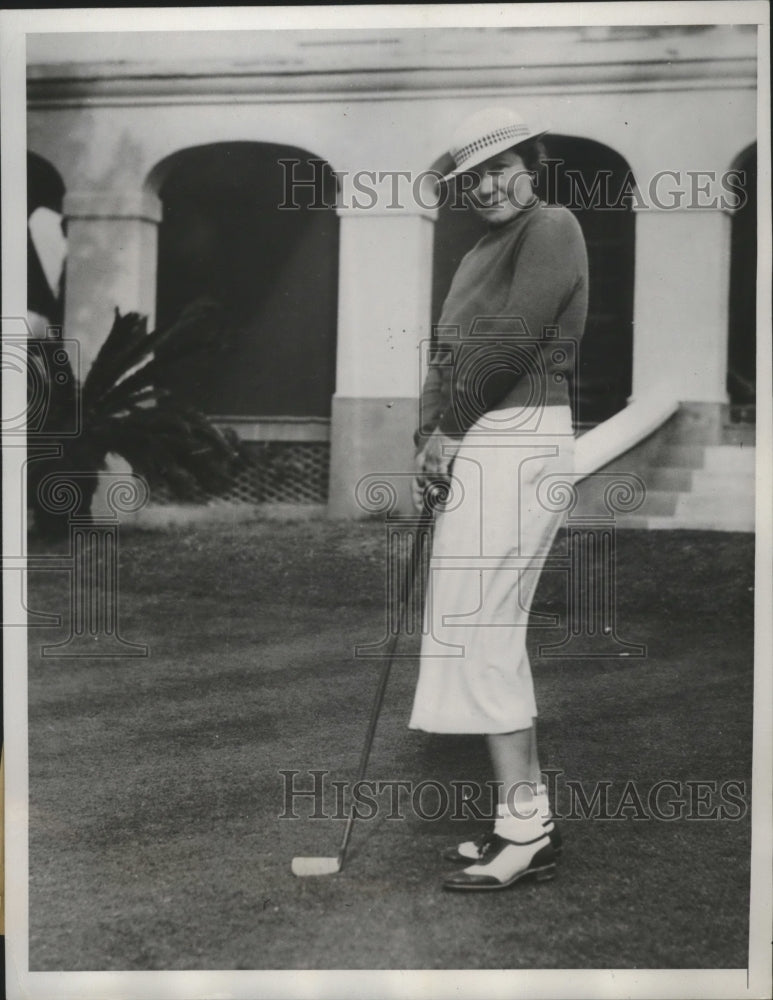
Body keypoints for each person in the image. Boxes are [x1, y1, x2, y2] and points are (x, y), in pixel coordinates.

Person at [410, 106, 588, 891]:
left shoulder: (551, 226)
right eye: (471, 178)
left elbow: (513, 338)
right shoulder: (477, 250)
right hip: (474, 438)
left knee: (484, 629)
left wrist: (450, 429)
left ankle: (523, 832)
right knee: (473, 628)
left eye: (499, 169)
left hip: (518, 436)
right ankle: (524, 820)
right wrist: (428, 437)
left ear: (531, 165)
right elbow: (447, 354)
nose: (485, 187)